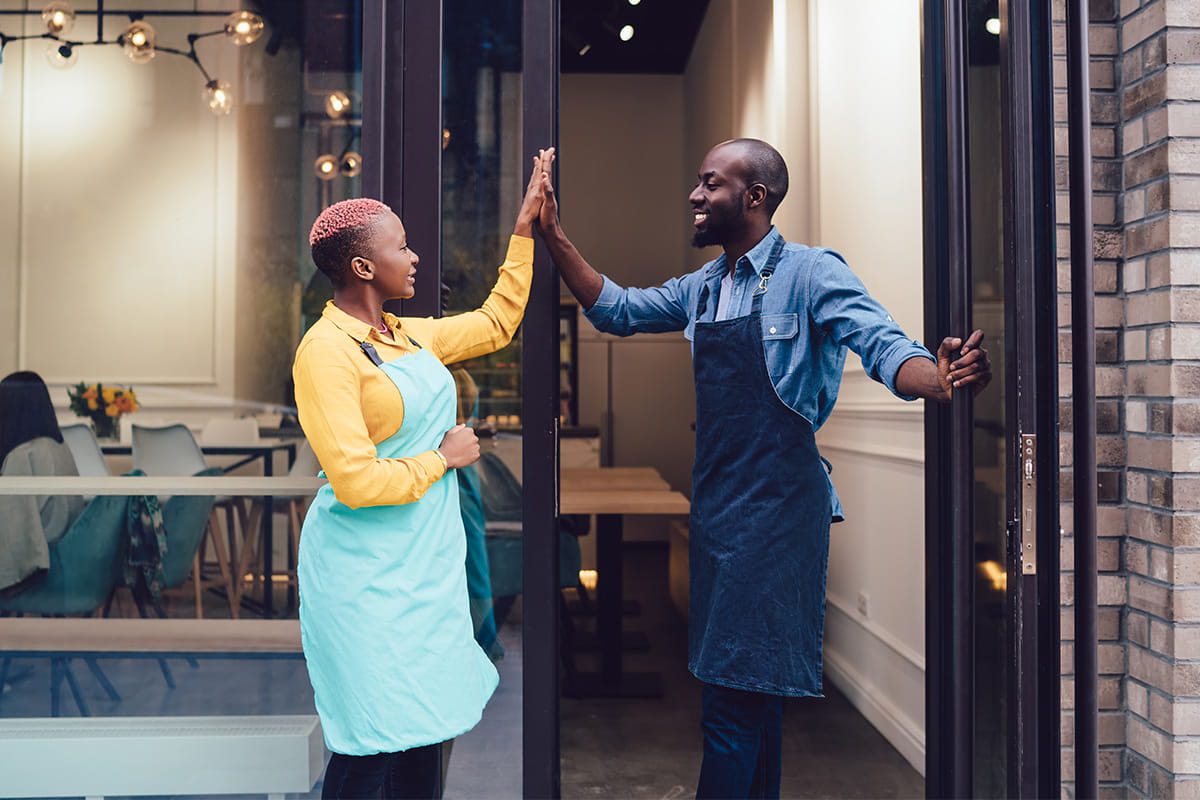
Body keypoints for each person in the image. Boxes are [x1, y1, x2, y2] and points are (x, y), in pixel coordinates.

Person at [536, 139, 992, 799]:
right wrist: (554, 235)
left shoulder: (811, 273)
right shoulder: (703, 286)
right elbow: (618, 310)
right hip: (721, 510)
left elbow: (883, 343)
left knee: (731, 703)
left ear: (753, 198)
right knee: (757, 698)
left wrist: (938, 381)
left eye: (710, 184)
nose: (695, 196)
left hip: (779, 515)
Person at [293, 148, 553, 800]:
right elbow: (353, 481)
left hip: (424, 573)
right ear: (362, 266)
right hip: (362, 578)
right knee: (370, 743)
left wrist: (523, 232)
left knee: (423, 739)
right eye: (401, 247)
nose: (413, 259)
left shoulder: (406, 337)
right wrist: (444, 457)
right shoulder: (324, 353)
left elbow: (497, 322)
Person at [0, 371, 85, 593]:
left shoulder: (22, 455)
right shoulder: (58, 446)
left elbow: (14, 535)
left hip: (40, 565)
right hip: (67, 550)